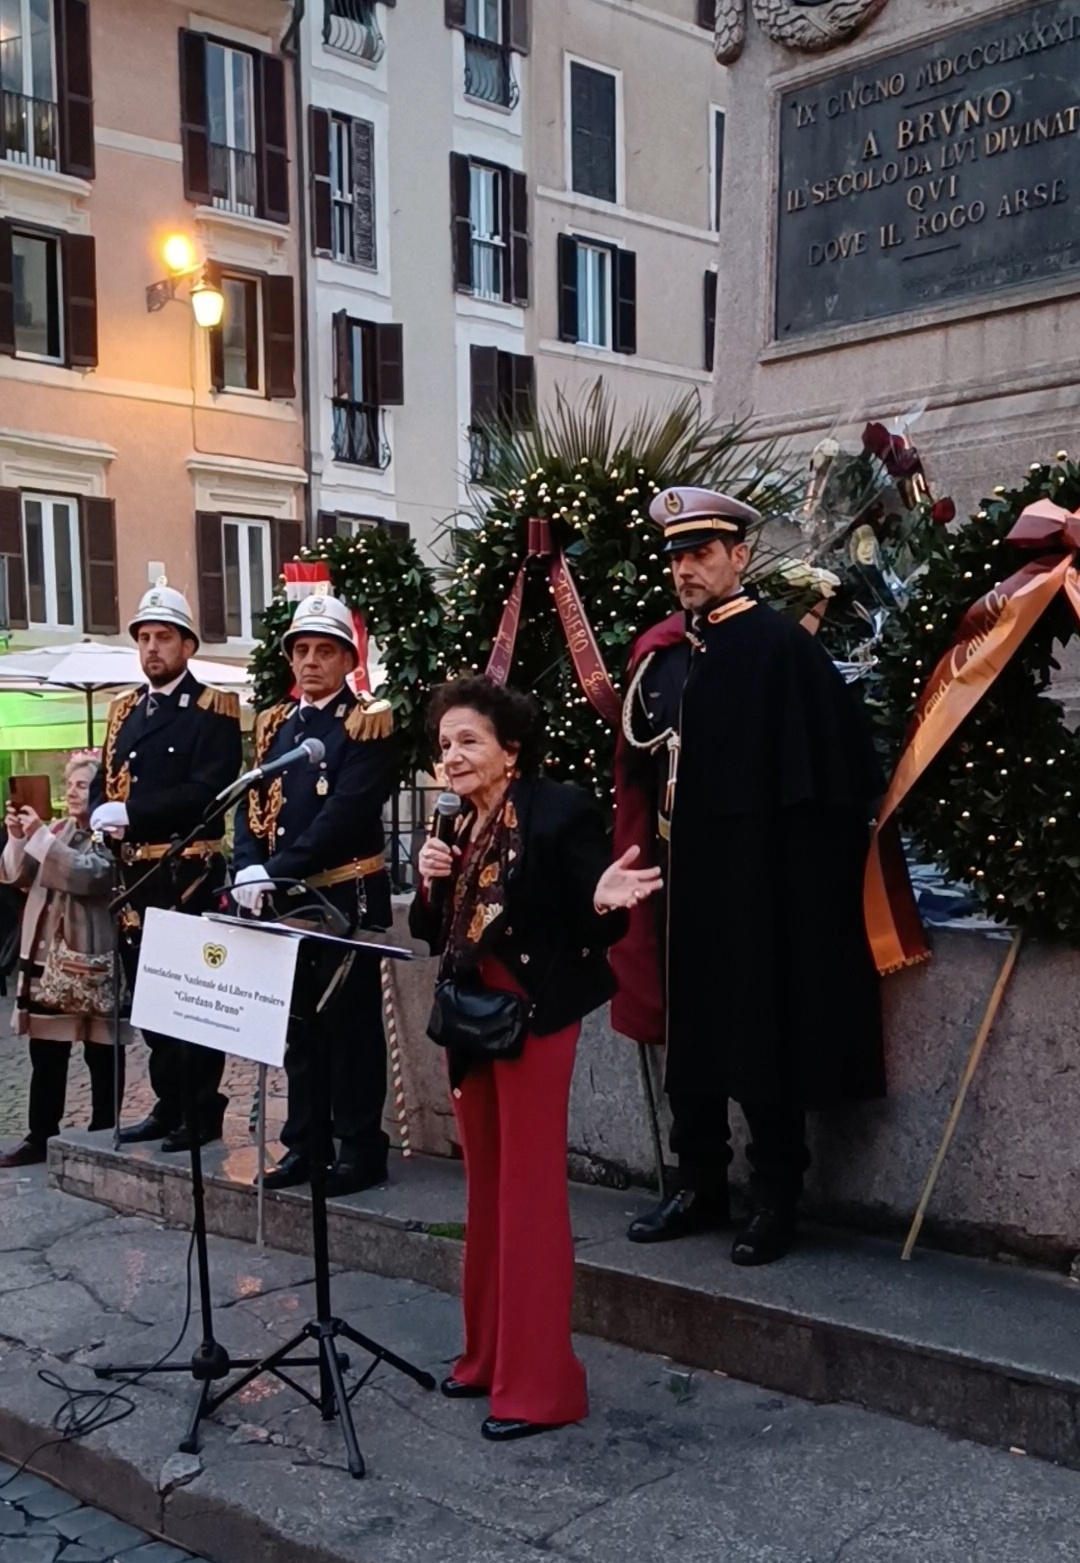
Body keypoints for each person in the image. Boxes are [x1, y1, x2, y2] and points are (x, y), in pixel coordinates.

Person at [613, 487, 885, 1266]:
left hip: (758, 884)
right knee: (687, 1034)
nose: (687, 569)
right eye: (677, 556)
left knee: (763, 1035)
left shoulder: (779, 648)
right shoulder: (665, 655)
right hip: (681, 879)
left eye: (702, 553)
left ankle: (774, 1197)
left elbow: (834, 779)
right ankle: (697, 1181)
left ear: (740, 556)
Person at [411, 676, 661, 1442]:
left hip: (533, 1013)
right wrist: (430, 881)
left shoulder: (556, 808)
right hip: (471, 1019)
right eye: (444, 743)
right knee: (484, 1189)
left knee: (528, 1193)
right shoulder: (454, 825)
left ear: (509, 747)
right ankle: (487, 1355)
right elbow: (434, 930)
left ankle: (540, 1386)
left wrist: (600, 893)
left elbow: (588, 890)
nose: (452, 755)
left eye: (469, 740)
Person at [232, 593, 397, 1197]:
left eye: (324, 651)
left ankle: (360, 1148)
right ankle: (305, 1142)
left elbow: (347, 815)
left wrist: (274, 869)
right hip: (284, 897)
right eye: (300, 650)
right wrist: (249, 866)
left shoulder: (366, 721)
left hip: (342, 895)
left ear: (347, 659)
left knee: (350, 1029)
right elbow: (252, 807)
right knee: (296, 1027)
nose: (309, 662)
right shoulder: (277, 724)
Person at [89, 582, 242, 1153]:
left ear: (187, 645)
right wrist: (100, 812)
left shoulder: (212, 710)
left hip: (185, 876)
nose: (153, 648)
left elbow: (207, 791)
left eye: (164, 638)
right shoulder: (124, 710)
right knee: (152, 1003)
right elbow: (105, 780)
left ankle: (201, 1108)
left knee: (192, 998)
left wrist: (131, 810)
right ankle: (168, 1102)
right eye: (145, 638)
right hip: (134, 878)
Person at [0, 755, 120, 1167]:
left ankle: (106, 1129)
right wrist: (18, 836)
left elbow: (90, 875)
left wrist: (39, 838)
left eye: (83, 785)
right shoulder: (58, 828)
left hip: (92, 951)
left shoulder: (111, 834)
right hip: (46, 957)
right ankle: (40, 1134)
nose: (71, 791)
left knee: (102, 1051)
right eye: (69, 784)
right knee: (46, 1050)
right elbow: (17, 874)